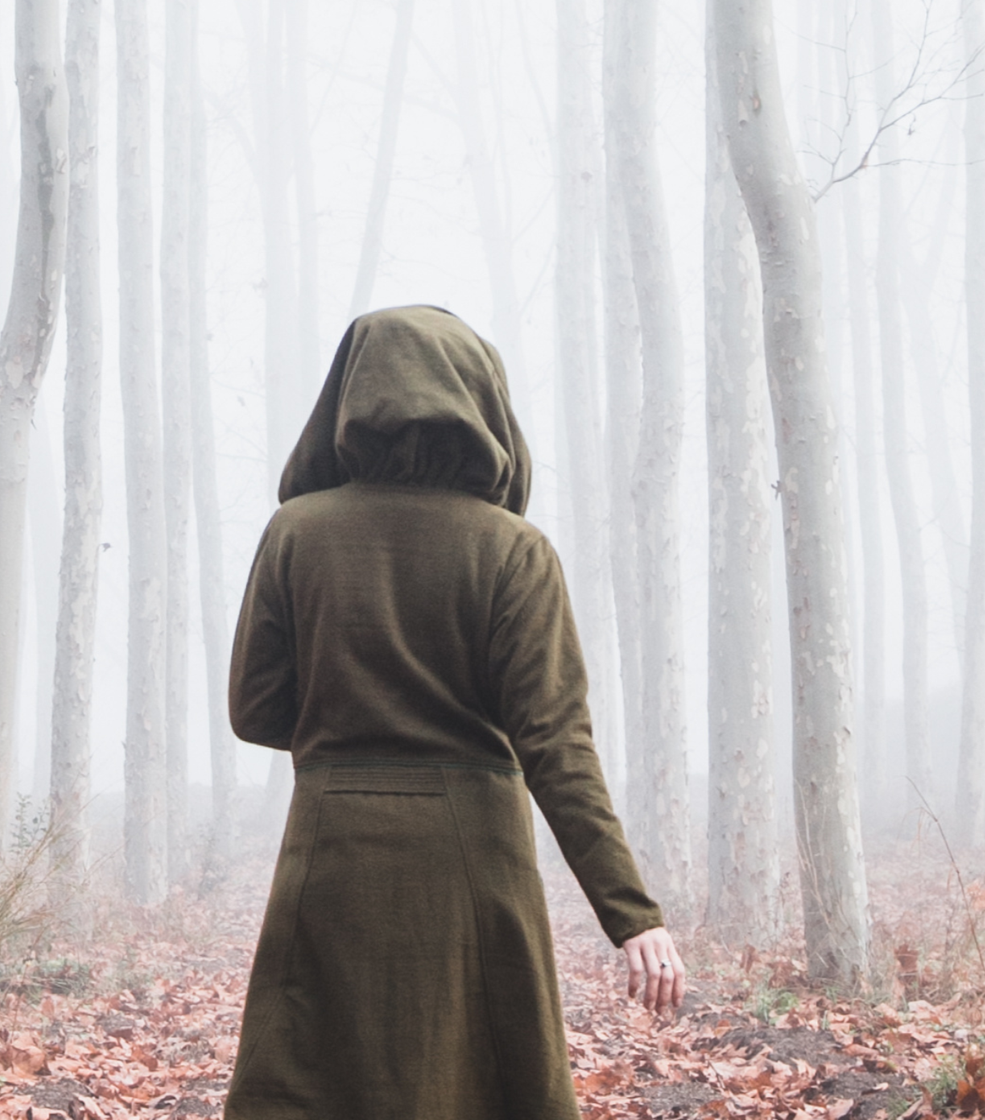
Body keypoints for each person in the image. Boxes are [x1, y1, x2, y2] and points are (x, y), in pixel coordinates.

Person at [223, 304, 685, 1120]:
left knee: (315, 1084)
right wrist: (630, 912)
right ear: (479, 397)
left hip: (331, 857)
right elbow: (556, 745)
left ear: (351, 396)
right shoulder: (513, 550)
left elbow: (256, 710)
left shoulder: (295, 532)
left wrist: (346, 727)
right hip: (477, 861)